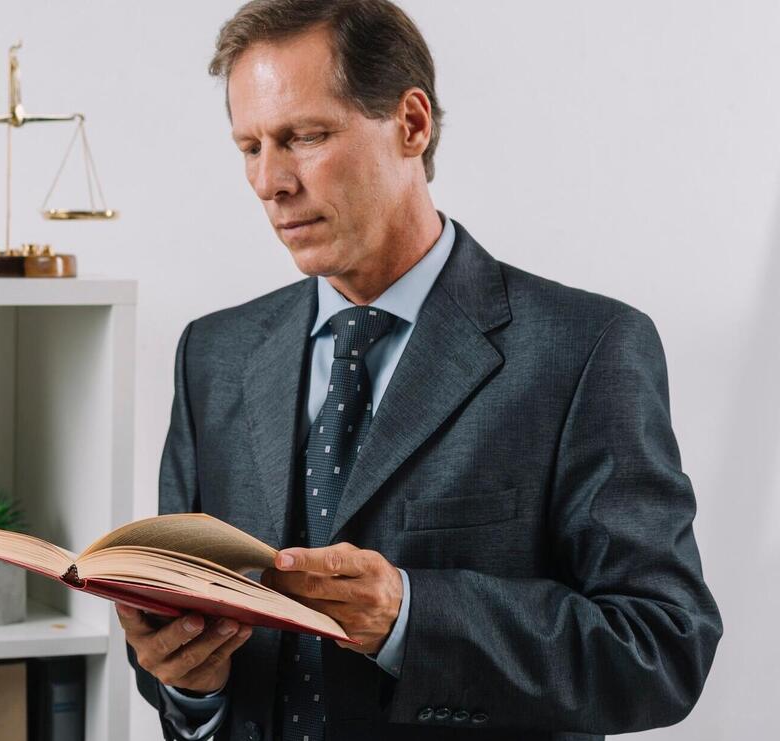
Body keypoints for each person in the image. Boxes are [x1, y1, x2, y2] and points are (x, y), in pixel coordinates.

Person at [119, 1, 722, 739]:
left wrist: (411, 614)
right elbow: (190, 645)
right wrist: (187, 683)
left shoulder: (587, 349)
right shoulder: (212, 353)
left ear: (411, 123)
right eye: (249, 147)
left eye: (304, 136)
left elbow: (663, 648)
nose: (269, 182)